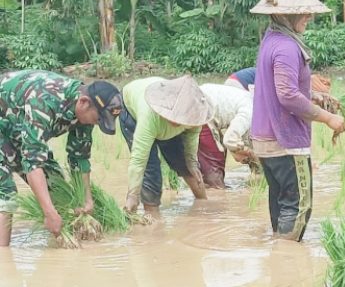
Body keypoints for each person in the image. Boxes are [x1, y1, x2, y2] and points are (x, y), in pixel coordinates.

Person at [250, 0, 345, 241]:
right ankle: (287, 262)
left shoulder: (271, 41)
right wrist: (328, 118)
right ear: (284, 14)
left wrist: (318, 98)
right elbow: (288, 95)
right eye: (303, 11)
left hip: (265, 140)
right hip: (285, 142)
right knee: (299, 206)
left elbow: (278, 91)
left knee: (280, 202)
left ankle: (278, 262)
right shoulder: (287, 48)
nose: (309, 16)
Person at [0, 70, 122, 245]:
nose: (96, 124)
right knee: (5, 196)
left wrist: (86, 199)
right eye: (98, 119)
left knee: (57, 188)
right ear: (84, 102)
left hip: (18, 129)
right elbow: (33, 164)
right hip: (4, 124)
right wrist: (49, 213)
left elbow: (79, 157)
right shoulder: (44, 101)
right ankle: (4, 261)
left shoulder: (86, 114)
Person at [119, 75, 213, 214]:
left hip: (161, 107)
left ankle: (203, 204)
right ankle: (153, 218)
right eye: (174, 117)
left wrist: (192, 162)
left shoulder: (194, 112)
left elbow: (192, 138)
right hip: (132, 113)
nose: (176, 122)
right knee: (151, 171)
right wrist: (132, 195)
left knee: (186, 165)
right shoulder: (149, 116)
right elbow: (139, 161)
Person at [197, 83, 255, 188]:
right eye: (246, 161)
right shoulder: (250, 112)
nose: (243, 163)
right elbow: (229, 140)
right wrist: (250, 154)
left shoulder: (250, 102)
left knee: (219, 150)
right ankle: (216, 197)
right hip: (200, 108)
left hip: (202, 102)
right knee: (214, 166)